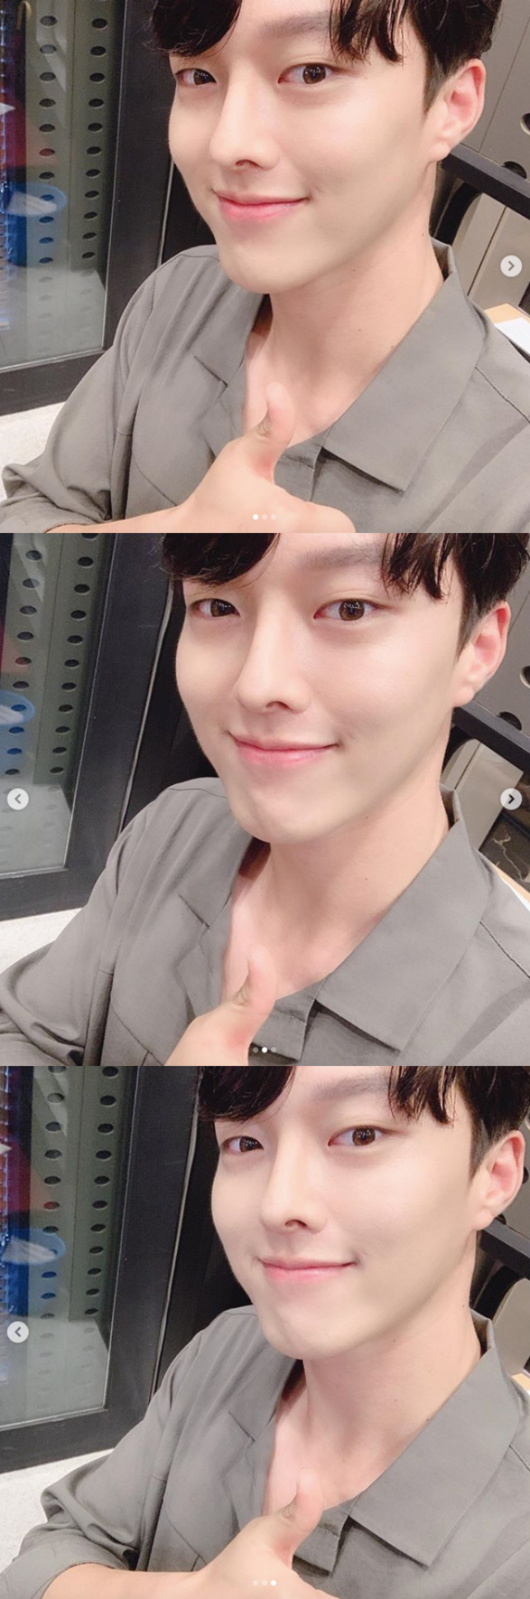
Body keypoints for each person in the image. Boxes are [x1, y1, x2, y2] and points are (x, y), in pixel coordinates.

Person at [1, 531, 530, 1067]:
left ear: (477, 649)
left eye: (350, 608)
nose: (256, 685)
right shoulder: (173, 826)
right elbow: (27, 1029)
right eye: (217, 606)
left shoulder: (509, 1025)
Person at [1, 0, 530, 534]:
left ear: (451, 107)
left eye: (311, 72)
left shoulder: (511, 475)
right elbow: (33, 508)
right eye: (198, 75)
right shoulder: (179, 293)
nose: (228, 144)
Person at [1, 1066, 530, 1599]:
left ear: (495, 1176)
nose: (277, 1206)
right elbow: (53, 1552)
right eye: (245, 1142)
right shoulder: (226, 1348)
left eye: (361, 1135)